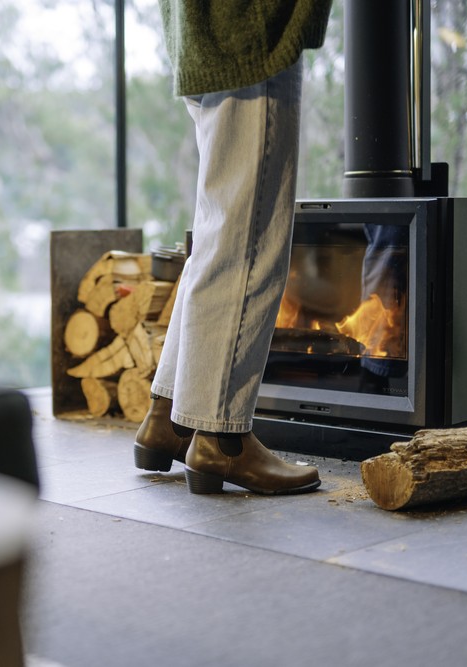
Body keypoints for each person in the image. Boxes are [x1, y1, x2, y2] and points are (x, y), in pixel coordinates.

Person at [133, 0, 333, 495]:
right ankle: (221, 439)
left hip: (206, 30)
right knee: (250, 239)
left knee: (220, 230)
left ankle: (171, 419)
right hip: (249, 27)